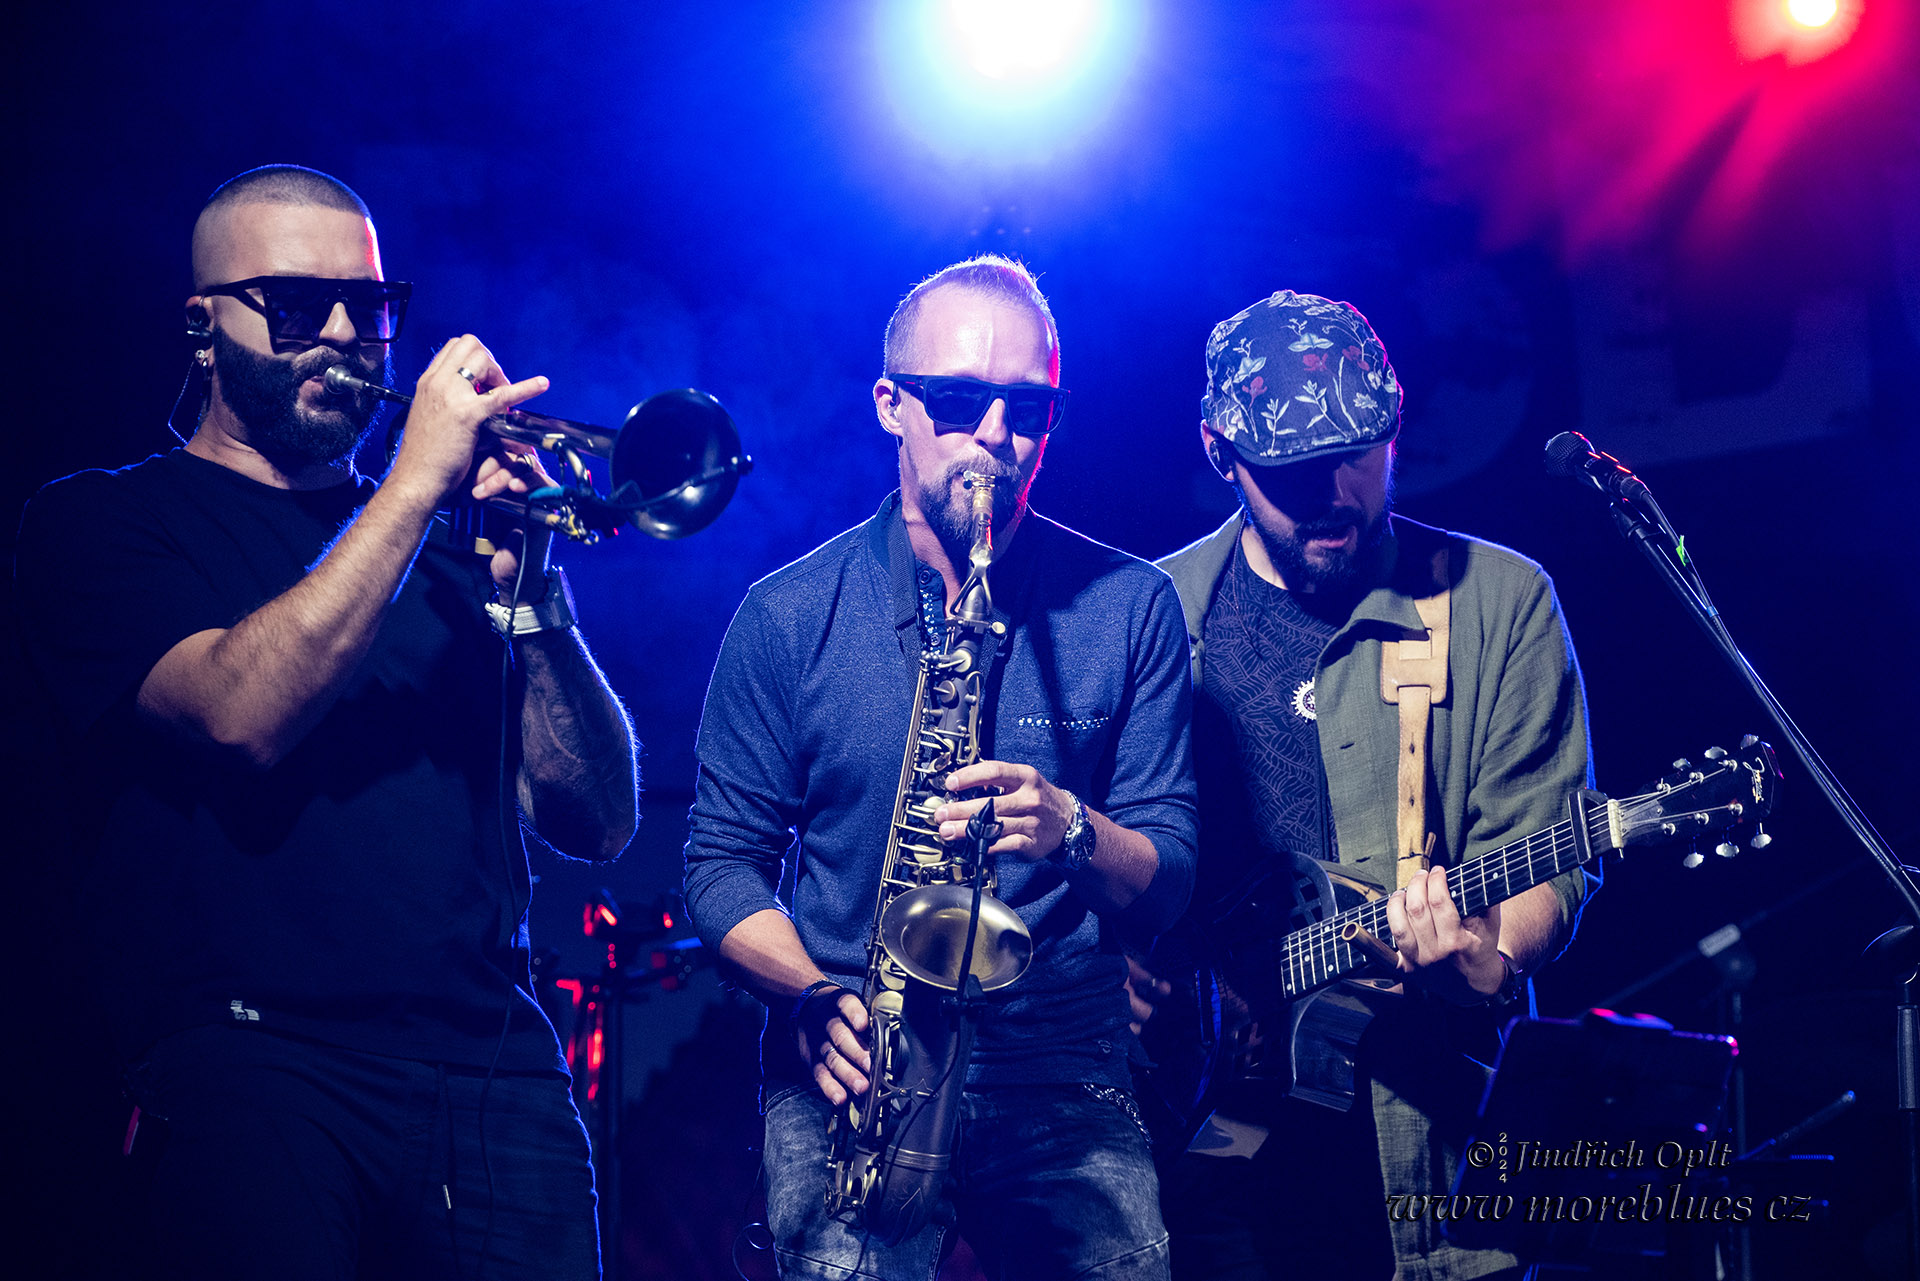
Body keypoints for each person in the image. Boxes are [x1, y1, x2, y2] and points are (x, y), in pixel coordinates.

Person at [13, 165, 637, 1279]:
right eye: (300, 309)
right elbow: (236, 715)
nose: (348, 336)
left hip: (494, 1078)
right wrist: (412, 488)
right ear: (203, 329)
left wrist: (533, 591)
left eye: (373, 309)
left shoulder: (444, 552)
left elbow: (596, 820)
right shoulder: (102, 523)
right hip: (253, 1070)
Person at [682, 255, 1198, 1280]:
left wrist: (1072, 830)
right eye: (961, 402)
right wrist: (810, 998)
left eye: (1029, 410)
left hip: (1060, 1058)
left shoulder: (1133, 605)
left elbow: (1172, 873)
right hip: (856, 1053)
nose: (998, 440)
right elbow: (718, 866)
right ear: (892, 404)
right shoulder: (787, 615)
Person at [1149, 291, 1597, 1281]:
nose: (1331, 493)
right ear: (1220, 454)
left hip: (1423, 1151)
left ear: (1394, 429)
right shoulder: (1147, 616)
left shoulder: (1500, 602)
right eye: (1291, 471)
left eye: (1356, 453)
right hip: (1204, 1163)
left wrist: (1495, 954)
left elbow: (1545, 842)